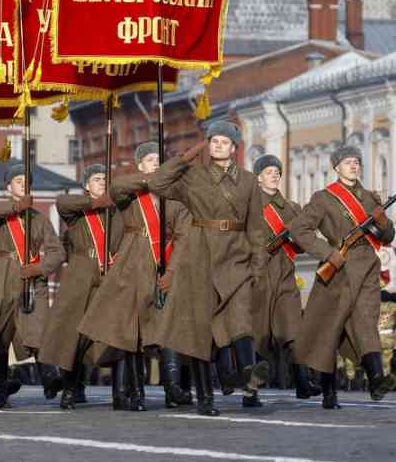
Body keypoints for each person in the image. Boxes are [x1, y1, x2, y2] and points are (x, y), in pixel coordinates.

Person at [148, 121, 269, 416]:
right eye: (213, 140)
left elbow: (256, 227)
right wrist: (186, 157)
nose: (218, 145)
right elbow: (157, 183)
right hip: (199, 254)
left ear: (234, 147)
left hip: (236, 255)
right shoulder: (193, 176)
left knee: (241, 319)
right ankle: (205, 398)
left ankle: (249, 375)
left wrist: (258, 264)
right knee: (200, 331)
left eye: (224, 142)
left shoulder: (249, 181)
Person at [80, 145, 193, 412]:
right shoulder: (130, 192)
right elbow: (116, 188)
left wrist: (172, 271)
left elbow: (184, 234)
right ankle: (128, 392)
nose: (155, 164)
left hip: (161, 266)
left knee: (164, 329)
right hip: (131, 265)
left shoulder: (174, 197)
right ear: (140, 165)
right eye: (150, 160)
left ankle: (172, 388)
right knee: (128, 331)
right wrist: (151, 180)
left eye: (159, 161)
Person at [288, 145, 396, 409]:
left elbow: (388, 236)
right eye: (348, 162)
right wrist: (327, 253)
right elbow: (299, 229)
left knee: (365, 322)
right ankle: (329, 392)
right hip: (339, 267)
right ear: (336, 167)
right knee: (331, 328)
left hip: (368, 265)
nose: (354, 165)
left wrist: (382, 222)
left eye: (357, 161)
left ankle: (376, 380)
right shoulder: (323, 198)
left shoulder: (370, 198)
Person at [0, 162, 65, 409]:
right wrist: (15, 207)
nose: (23, 185)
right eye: (18, 181)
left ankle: (50, 377)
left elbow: (57, 251)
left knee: (39, 327)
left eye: (26, 182)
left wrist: (40, 268)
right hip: (3, 274)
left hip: (32, 277)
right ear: (8, 187)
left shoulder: (39, 219)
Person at [38, 164, 119, 409]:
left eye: (105, 179)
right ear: (86, 185)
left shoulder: (115, 211)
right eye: (96, 179)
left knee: (104, 333)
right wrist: (96, 203)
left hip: (108, 272)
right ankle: (70, 389)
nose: (102, 182)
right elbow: (62, 202)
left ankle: (121, 390)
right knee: (72, 335)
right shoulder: (79, 210)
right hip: (81, 273)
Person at [247, 154, 321, 403]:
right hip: (258, 274)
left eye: (277, 171)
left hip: (286, 274)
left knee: (295, 328)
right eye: (268, 171)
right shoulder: (249, 206)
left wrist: (293, 239)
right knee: (259, 335)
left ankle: (303, 382)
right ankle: (251, 390)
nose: (274, 174)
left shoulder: (291, 208)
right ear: (258, 177)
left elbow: (301, 245)